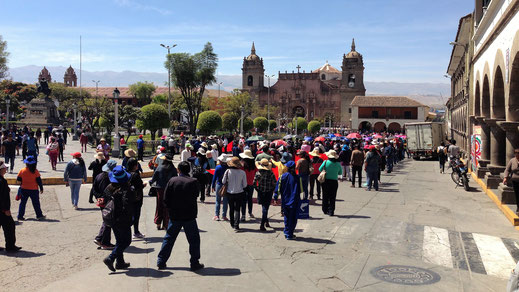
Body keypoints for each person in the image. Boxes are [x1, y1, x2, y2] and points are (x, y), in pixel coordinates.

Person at [157, 161, 204, 271]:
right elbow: (196, 194)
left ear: (178, 170)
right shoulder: (193, 181)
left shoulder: (172, 181)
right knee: (194, 240)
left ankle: (161, 261)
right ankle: (194, 262)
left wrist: (170, 209)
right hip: (189, 215)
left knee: (169, 239)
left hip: (175, 215)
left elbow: (165, 198)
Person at [102, 165, 135, 272]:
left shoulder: (109, 188)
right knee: (126, 241)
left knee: (119, 241)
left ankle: (120, 262)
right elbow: (128, 206)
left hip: (112, 218)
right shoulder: (126, 190)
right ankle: (111, 258)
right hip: (122, 220)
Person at [92, 160, 117, 250]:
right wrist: (103, 198)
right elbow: (107, 191)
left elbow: (94, 189)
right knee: (108, 221)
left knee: (106, 220)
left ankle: (101, 240)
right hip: (107, 202)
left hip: (101, 202)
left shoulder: (98, 176)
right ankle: (102, 240)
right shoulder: (107, 178)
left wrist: (98, 197)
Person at [149, 153, 178, 230]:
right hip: (170, 190)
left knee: (159, 206)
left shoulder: (160, 167)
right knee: (167, 207)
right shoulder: (173, 169)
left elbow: (154, 179)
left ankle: (158, 223)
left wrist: (151, 183)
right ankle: (166, 224)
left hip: (160, 189)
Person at [275, 160, 300, 240]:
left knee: (286, 217)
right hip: (295, 200)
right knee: (293, 218)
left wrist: (275, 197)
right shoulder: (297, 177)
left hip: (285, 200)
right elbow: (302, 190)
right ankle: (290, 233)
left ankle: (287, 232)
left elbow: (277, 189)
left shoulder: (282, 176)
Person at [0, 161, 21, 252]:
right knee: (9, 226)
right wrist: (5, 209)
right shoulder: (1, 181)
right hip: (2, 210)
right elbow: (1, 197)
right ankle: (10, 246)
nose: (6, 169)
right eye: (4, 168)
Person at [222, 157, 247, 231]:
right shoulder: (242, 172)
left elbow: (223, 181)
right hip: (239, 192)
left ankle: (232, 223)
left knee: (231, 208)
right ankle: (236, 225)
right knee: (237, 209)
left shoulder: (227, 171)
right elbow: (245, 185)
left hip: (230, 192)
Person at [16, 156, 45, 221]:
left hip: (24, 189)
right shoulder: (35, 171)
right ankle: (39, 215)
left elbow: (18, 180)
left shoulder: (22, 170)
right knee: (36, 203)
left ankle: (20, 216)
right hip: (34, 190)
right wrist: (41, 188)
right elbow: (39, 181)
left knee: (23, 203)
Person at [253, 159, 277, 231]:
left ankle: (265, 221)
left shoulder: (258, 173)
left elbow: (254, 183)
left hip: (261, 192)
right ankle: (263, 223)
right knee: (266, 207)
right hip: (269, 192)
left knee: (264, 207)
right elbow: (275, 183)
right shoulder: (271, 173)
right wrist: (272, 189)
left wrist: (257, 189)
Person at [127, 158, 146, 239]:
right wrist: (143, 185)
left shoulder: (126, 173)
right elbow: (139, 186)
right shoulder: (135, 174)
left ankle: (131, 230)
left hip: (128, 197)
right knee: (136, 215)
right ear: (135, 166)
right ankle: (136, 231)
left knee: (130, 214)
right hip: (137, 197)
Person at [320, 150, 342, 216]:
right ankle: (331, 211)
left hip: (326, 181)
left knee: (325, 196)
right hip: (334, 182)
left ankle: (325, 209)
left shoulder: (325, 162)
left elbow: (320, 169)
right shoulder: (338, 164)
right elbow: (340, 173)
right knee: (332, 197)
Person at [211, 154, 230, 221]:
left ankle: (217, 215)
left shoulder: (218, 167)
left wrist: (212, 185)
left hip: (219, 184)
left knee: (218, 200)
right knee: (225, 201)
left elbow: (214, 177)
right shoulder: (228, 168)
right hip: (226, 185)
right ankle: (224, 216)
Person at [240, 149, 257, 220]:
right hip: (251, 184)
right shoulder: (254, 165)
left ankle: (243, 215)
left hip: (243, 184)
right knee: (250, 199)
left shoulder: (242, 165)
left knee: (243, 200)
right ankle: (250, 213)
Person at [504, 149, 519, 214]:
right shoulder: (512, 161)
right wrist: (505, 177)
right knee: (517, 194)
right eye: (516, 153)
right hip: (515, 180)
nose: (517, 154)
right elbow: (507, 169)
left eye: (518, 153)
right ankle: (518, 207)